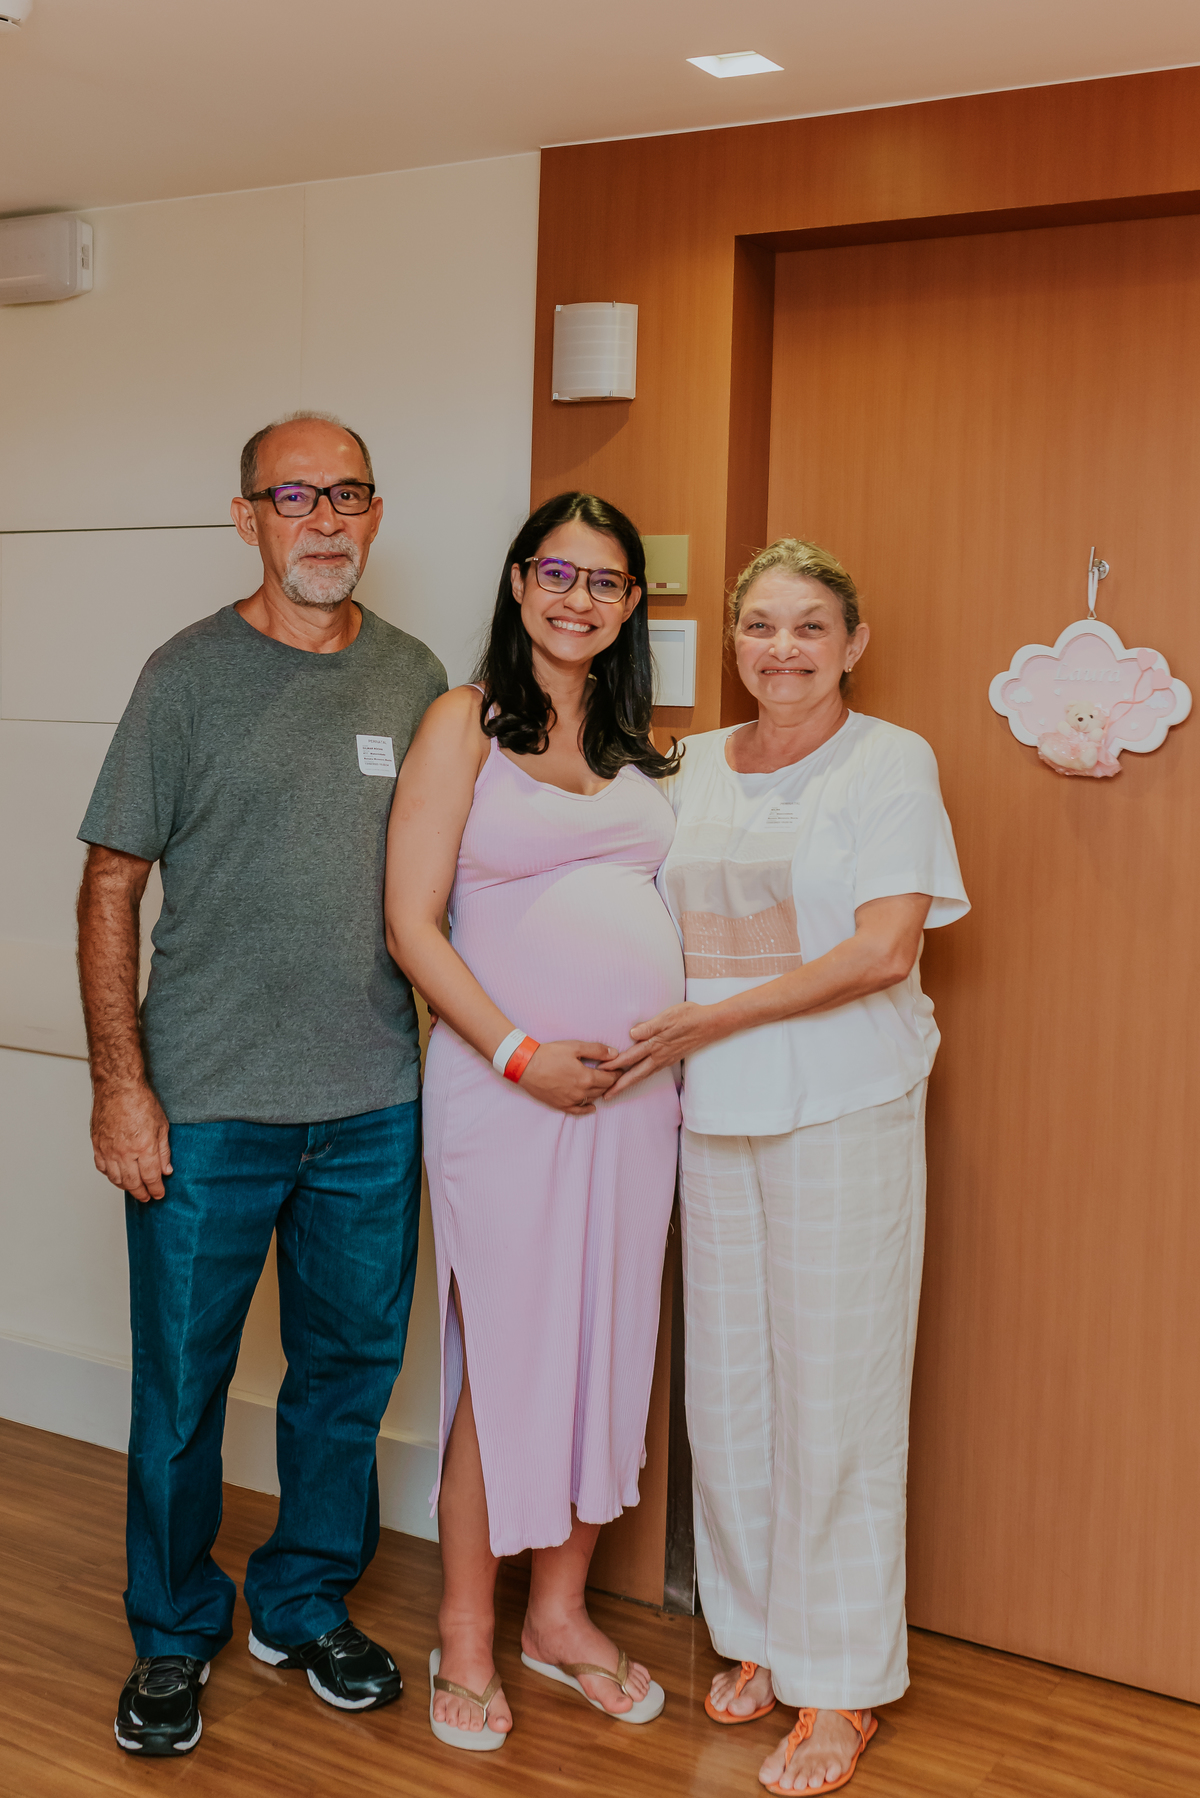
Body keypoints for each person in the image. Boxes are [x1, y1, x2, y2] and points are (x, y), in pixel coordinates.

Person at [76, 411, 446, 1757]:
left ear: (376, 512)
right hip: (209, 1103)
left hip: (371, 1104)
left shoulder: (416, 677)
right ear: (248, 518)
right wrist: (125, 1086)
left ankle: (300, 1600)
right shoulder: (185, 676)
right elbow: (111, 881)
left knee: (345, 1373)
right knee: (181, 1387)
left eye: (348, 493)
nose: (325, 519)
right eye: (295, 496)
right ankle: (174, 1633)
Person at [603, 539, 969, 1794]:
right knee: (732, 1393)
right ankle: (757, 1639)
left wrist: (713, 1018)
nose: (784, 649)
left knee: (838, 1395)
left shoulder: (891, 760)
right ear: (733, 642)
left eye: (812, 627)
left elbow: (882, 950)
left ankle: (841, 1683)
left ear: (853, 644)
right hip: (714, 1115)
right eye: (761, 626)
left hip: (843, 1106)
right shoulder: (690, 762)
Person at [384, 491, 683, 1751]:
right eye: (559, 574)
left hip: (635, 1102)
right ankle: (466, 1631)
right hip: (503, 1090)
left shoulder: (642, 746)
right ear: (518, 585)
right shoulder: (463, 721)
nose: (580, 599)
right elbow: (410, 922)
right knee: (504, 1355)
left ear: (629, 607)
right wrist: (519, 1054)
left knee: (606, 1348)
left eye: (607, 582)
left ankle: (557, 1616)